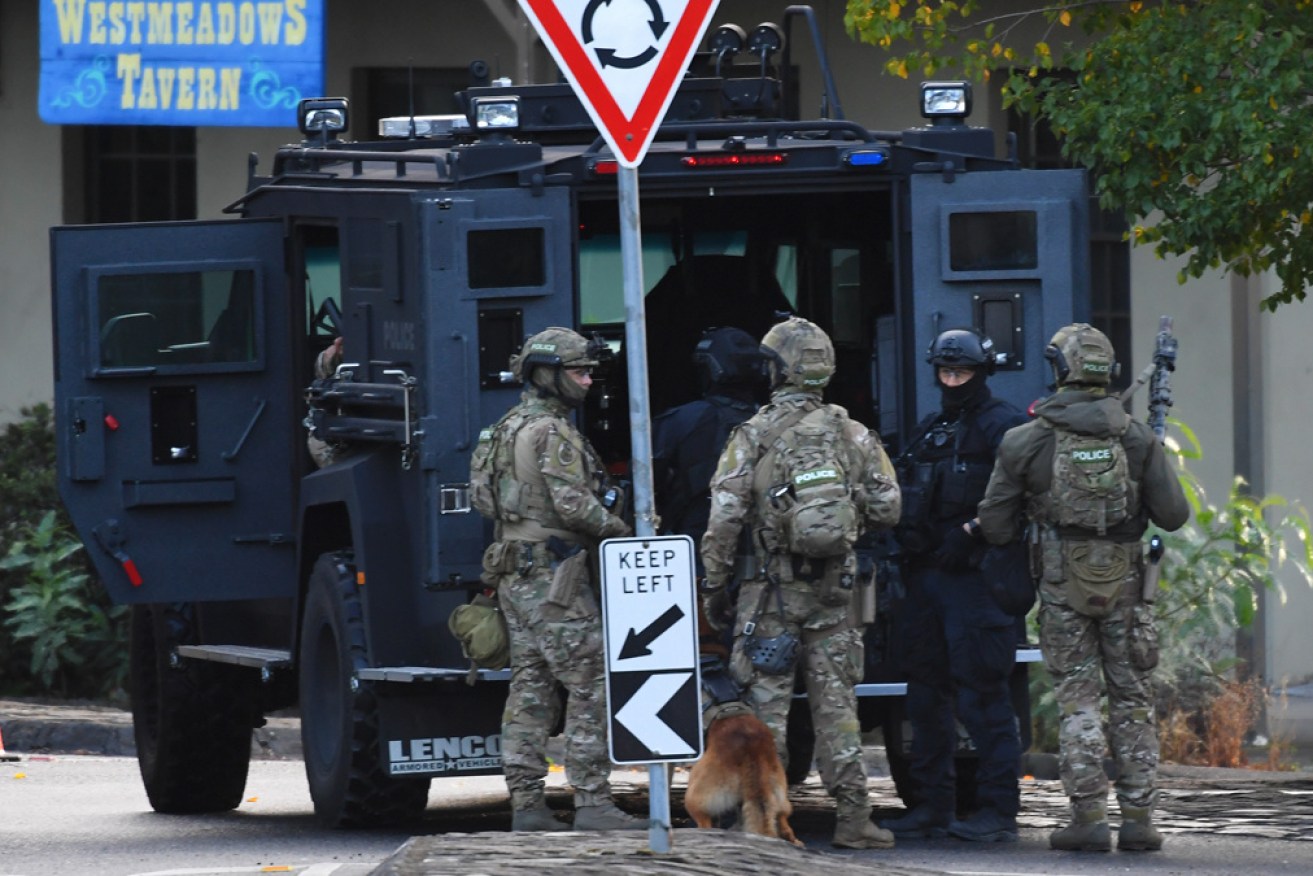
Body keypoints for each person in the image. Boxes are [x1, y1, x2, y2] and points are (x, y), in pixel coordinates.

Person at [977, 323, 1189, 852]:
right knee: (1133, 700)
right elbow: (1174, 515)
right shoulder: (1135, 437)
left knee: (1079, 702)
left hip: (1060, 585)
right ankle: (1140, 821)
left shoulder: (1026, 441)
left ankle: (1088, 817)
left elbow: (996, 527)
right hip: (1128, 588)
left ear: (1058, 369)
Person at [699, 316, 902, 850]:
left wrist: (713, 587)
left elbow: (724, 519)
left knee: (767, 712)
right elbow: (889, 507)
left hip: (769, 595)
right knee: (838, 709)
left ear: (777, 370)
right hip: (836, 595)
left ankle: (762, 823)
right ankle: (855, 820)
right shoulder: (853, 432)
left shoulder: (752, 433)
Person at [468, 327, 641, 832]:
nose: (588, 380)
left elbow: (483, 500)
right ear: (546, 375)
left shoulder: (503, 427)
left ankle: (527, 805)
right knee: (593, 683)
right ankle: (593, 803)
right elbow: (573, 505)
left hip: (515, 572)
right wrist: (624, 531)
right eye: (578, 371)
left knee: (531, 688)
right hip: (552, 577)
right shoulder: (552, 432)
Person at [879, 328, 1029, 843]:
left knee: (984, 699)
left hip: (977, 580)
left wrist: (972, 533)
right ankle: (931, 806)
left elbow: (1020, 497)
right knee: (923, 697)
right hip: (927, 579)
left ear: (980, 373)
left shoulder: (1003, 426)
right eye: (944, 372)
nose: (952, 380)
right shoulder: (931, 428)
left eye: (961, 372)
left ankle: (997, 810)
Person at [653, 326, 765, 559]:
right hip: (761, 551)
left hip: (695, 551)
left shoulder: (682, 421)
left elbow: (647, 490)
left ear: (711, 370)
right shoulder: (774, 422)